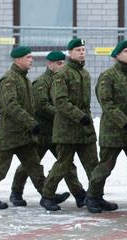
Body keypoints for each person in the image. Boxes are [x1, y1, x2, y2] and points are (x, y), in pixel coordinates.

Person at [10, 50, 79, 208]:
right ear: (50, 64)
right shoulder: (42, 83)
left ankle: (79, 194)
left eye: (64, 63)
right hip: (42, 132)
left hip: (57, 132)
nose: (62, 67)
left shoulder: (61, 80)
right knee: (30, 164)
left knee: (66, 164)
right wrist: (63, 114)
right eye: (59, 64)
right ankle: (16, 192)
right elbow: (42, 106)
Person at [0, 46, 49, 209]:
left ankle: (47, 195)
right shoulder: (9, 80)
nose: (31, 60)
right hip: (9, 132)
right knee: (1, 166)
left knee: (34, 165)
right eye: (28, 57)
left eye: (31, 57)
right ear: (17, 60)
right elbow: (11, 106)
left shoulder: (24, 79)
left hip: (24, 134)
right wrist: (31, 123)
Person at [86, 39, 127, 213]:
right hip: (113, 132)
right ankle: (93, 197)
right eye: (126, 51)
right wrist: (124, 122)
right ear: (117, 55)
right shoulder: (108, 76)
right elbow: (107, 103)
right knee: (105, 167)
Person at [41, 38, 97, 212]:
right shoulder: (62, 74)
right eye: (78, 50)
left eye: (83, 49)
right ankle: (47, 196)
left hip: (84, 128)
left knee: (93, 165)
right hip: (67, 128)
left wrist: (85, 120)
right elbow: (61, 102)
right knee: (63, 164)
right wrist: (80, 117)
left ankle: (95, 197)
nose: (81, 52)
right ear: (70, 53)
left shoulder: (85, 73)